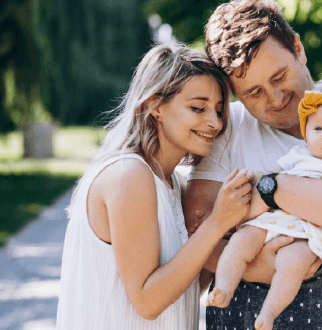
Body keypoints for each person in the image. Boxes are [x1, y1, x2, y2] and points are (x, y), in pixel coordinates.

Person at [183, 1, 322, 329]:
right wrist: (254, 266)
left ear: (298, 48)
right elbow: (199, 229)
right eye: (254, 93)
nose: (275, 98)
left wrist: (270, 189)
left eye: (280, 76)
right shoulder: (227, 129)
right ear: (234, 93)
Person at [55, 42, 255, 329]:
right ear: (154, 106)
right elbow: (148, 302)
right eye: (198, 108)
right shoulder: (129, 175)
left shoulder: (172, 182)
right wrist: (216, 224)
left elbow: (180, 290)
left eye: (219, 110)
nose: (214, 122)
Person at [206, 79, 322, 330]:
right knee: (240, 241)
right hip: (277, 218)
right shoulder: (300, 154)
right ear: (306, 133)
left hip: (312, 233)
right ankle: (224, 289)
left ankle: (268, 312)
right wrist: (252, 178)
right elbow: (269, 177)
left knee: (293, 264)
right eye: (318, 128)